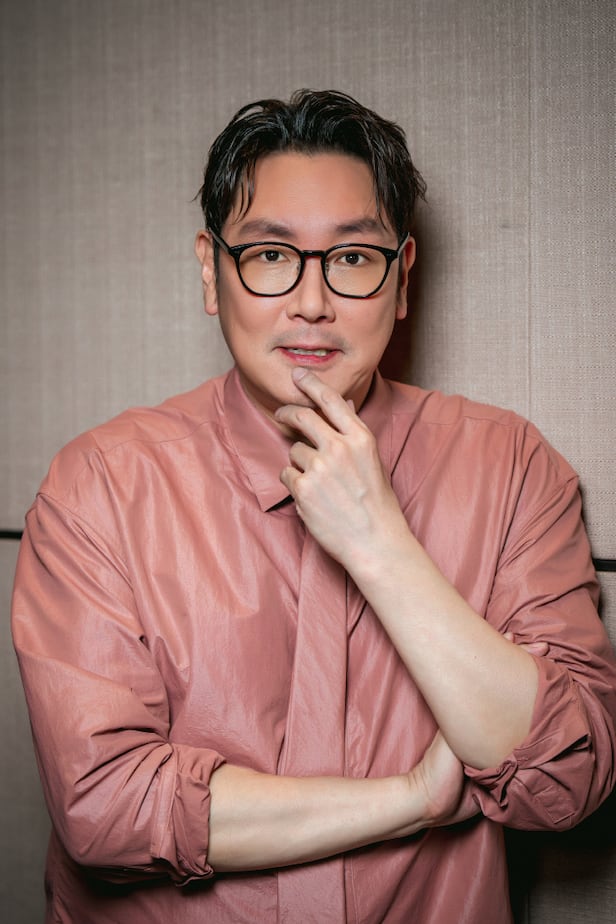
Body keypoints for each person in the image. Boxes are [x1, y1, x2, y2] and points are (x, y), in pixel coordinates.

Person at [11, 89, 616, 924]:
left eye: (353, 258)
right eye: (269, 255)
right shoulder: (101, 486)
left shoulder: (510, 468)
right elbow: (105, 807)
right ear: (211, 272)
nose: (311, 302)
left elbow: (565, 781)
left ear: (401, 279)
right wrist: (411, 799)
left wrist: (380, 545)